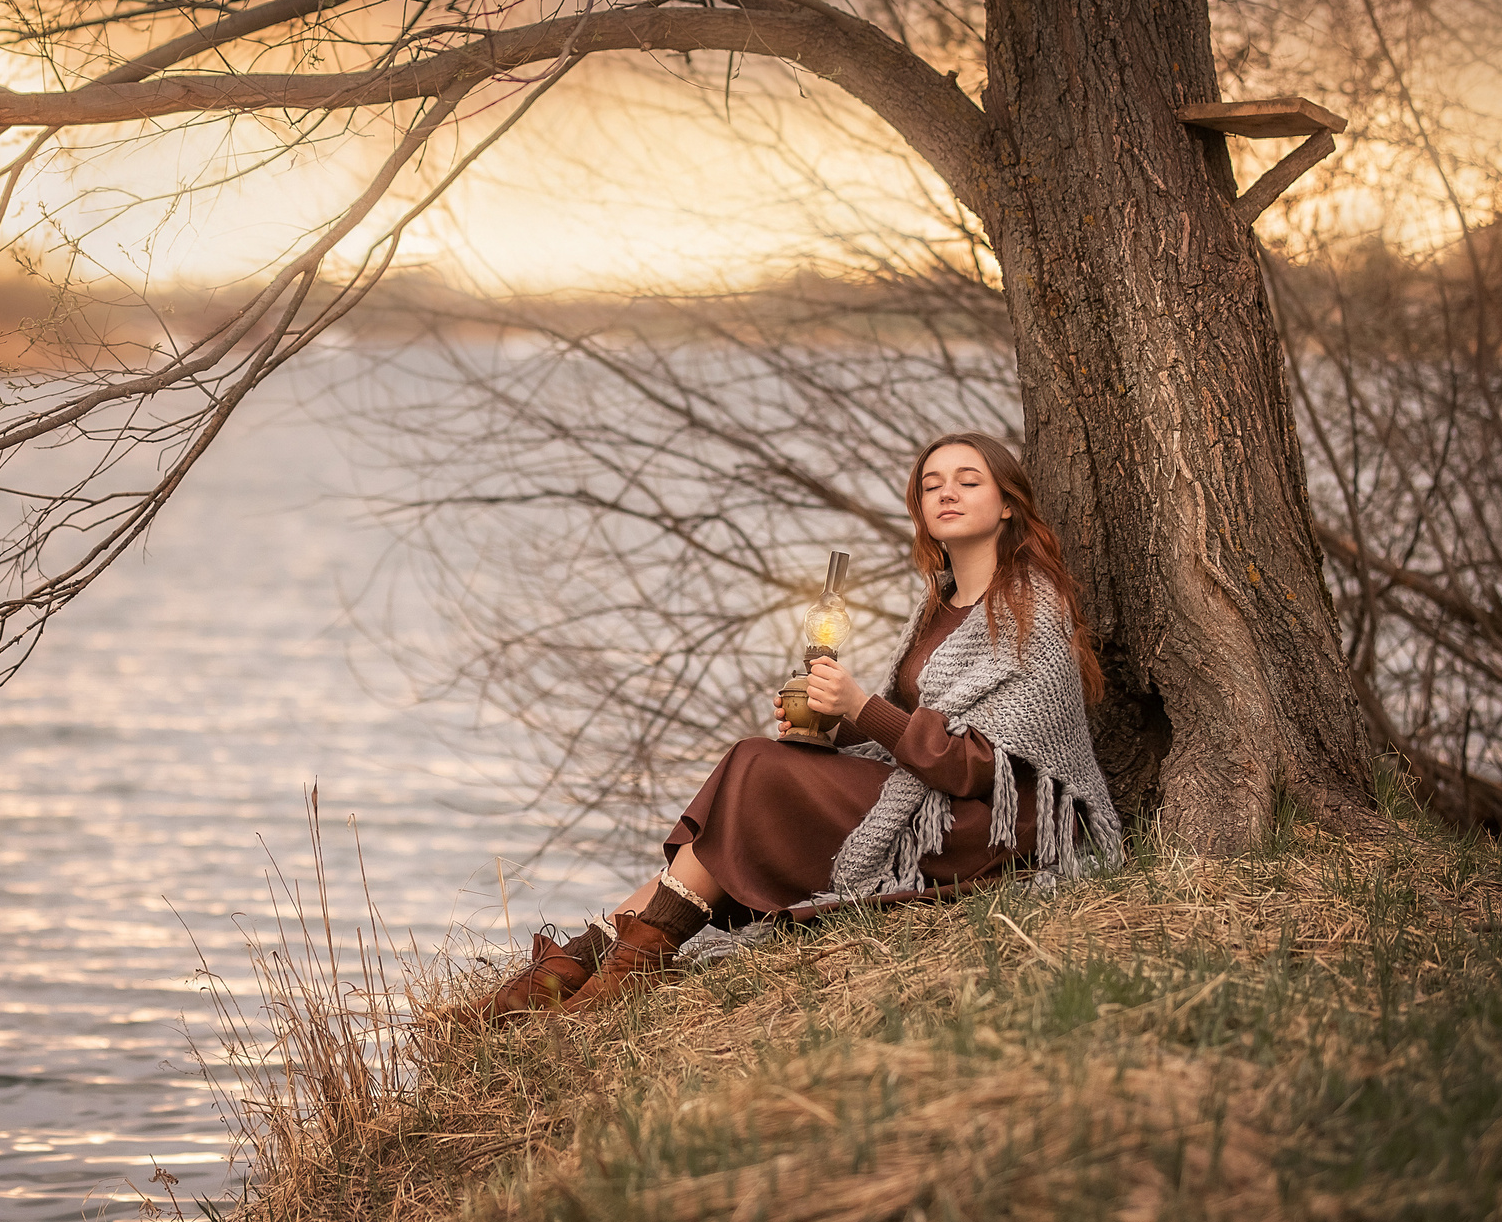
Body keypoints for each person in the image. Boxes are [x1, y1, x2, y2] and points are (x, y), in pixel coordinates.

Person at [465, 431, 1124, 1022]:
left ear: (1007, 503)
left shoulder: (1029, 603)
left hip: (1000, 828)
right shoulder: (940, 603)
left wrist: (859, 703)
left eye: (967, 480)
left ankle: (589, 969)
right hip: (929, 798)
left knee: (752, 769)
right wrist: (830, 724)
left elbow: (979, 765)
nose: (946, 492)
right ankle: (587, 968)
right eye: (931, 483)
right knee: (752, 773)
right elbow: (902, 734)